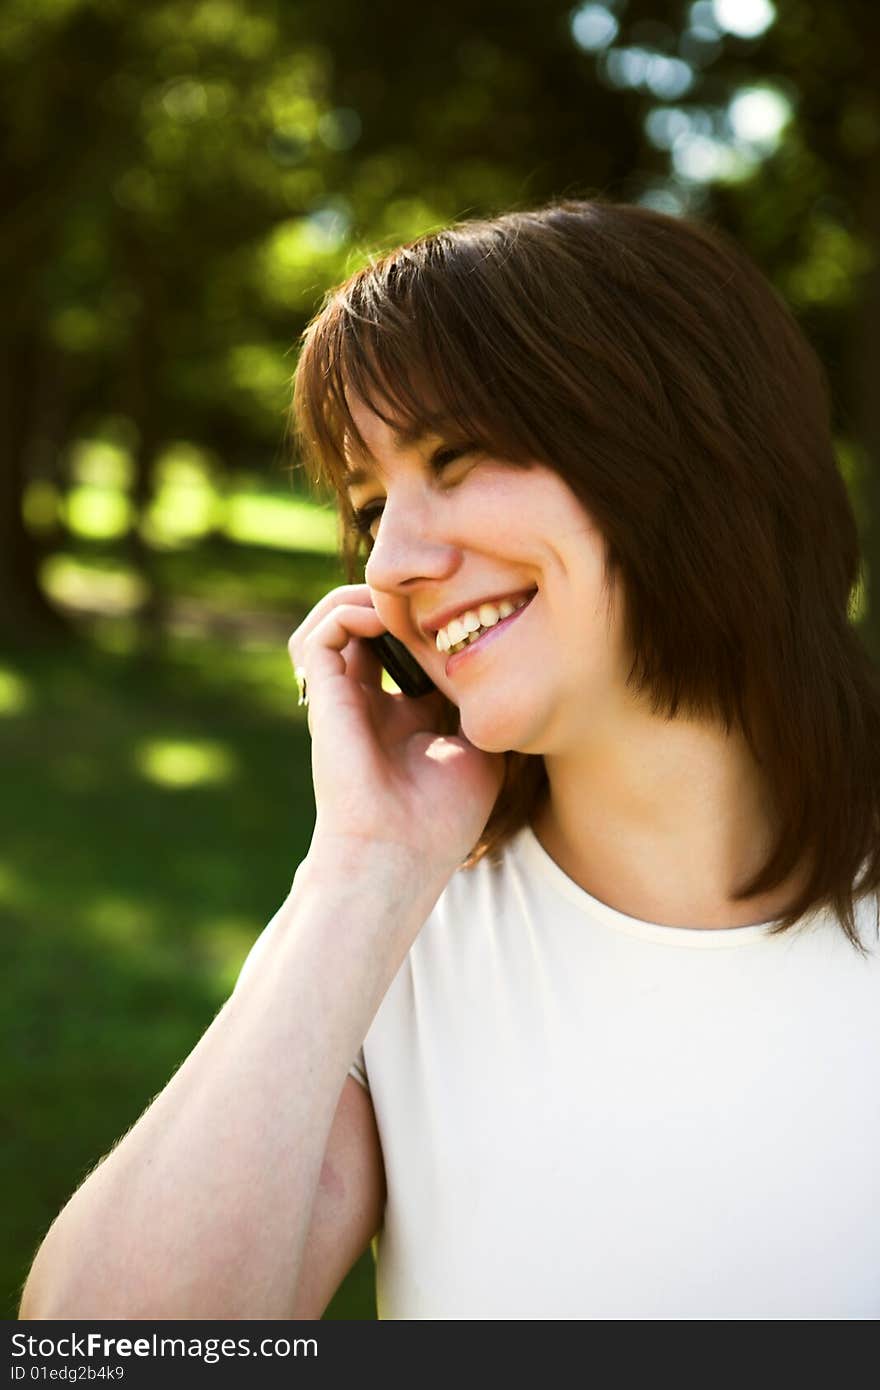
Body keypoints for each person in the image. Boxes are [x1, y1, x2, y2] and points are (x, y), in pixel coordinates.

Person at [20, 198, 880, 1321]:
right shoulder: (389, 941)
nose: (395, 562)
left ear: (686, 446)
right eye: (369, 502)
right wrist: (363, 868)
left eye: (458, 454)